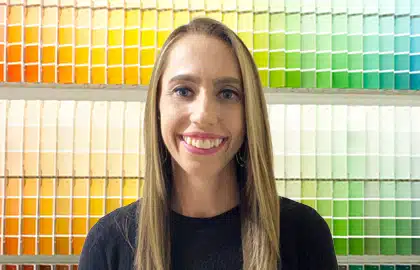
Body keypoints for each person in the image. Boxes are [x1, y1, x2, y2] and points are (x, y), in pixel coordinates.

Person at [78, 17, 338, 270]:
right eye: (183, 90)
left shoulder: (303, 234)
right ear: (157, 106)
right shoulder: (109, 243)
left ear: (250, 113)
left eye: (227, 93)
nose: (204, 114)